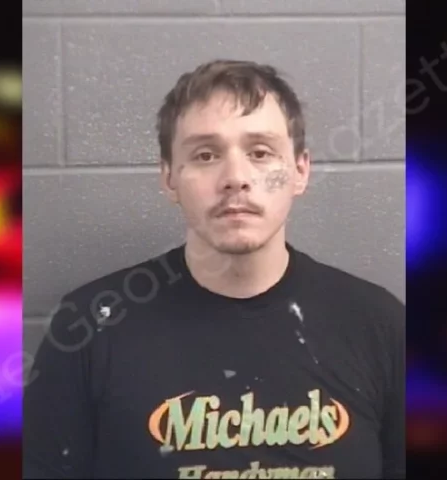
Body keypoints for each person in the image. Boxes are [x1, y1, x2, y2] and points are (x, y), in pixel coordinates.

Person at [23, 59, 405, 479]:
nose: (235, 178)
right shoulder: (90, 327)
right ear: (169, 177)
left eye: (260, 153)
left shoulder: (378, 325)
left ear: (300, 171)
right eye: (205, 155)